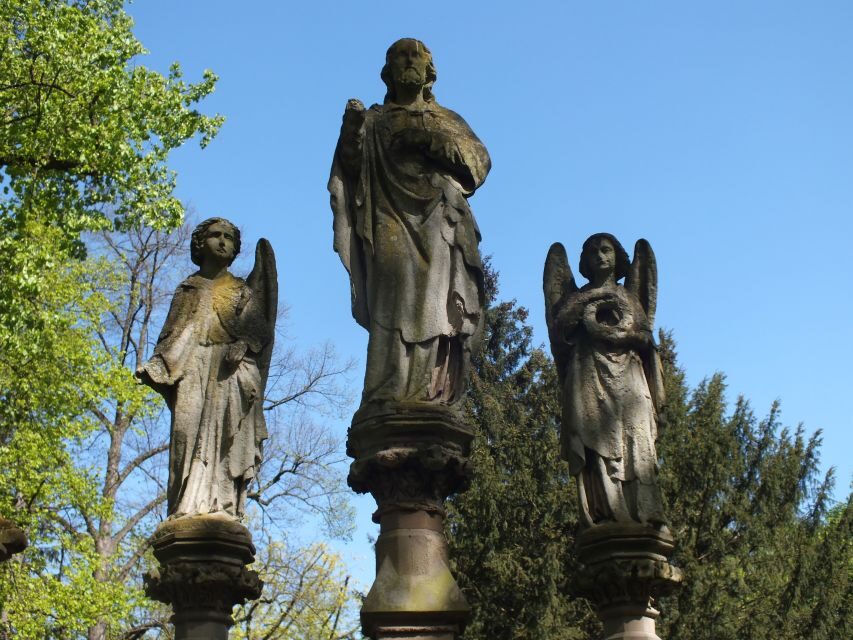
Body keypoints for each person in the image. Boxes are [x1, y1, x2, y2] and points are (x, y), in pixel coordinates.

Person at [329, 38, 490, 409]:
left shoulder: (447, 120)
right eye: (399, 56)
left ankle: (432, 391)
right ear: (387, 72)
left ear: (429, 71)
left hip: (440, 223)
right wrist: (351, 132)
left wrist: (428, 140)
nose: (407, 61)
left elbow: (478, 163)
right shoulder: (375, 121)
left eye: (414, 55)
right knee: (393, 298)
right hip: (389, 220)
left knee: (437, 303)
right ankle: (388, 391)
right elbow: (353, 170)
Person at [136, 218, 277, 519]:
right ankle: (184, 506)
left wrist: (243, 345)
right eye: (215, 235)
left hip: (230, 374)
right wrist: (158, 366)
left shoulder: (240, 291)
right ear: (201, 244)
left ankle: (222, 506)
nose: (223, 241)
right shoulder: (188, 288)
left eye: (229, 237)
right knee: (185, 437)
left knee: (226, 443)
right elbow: (172, 336)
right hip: (192, 371)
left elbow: (260, 332)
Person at [544, 233, 666, 529]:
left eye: (606, 250)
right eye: (593, 251)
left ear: (617, 257)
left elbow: (645, 336)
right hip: (589, 377)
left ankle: (645, 513)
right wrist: (591, 300)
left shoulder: (629, 298)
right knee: (594, 442)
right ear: (584, 261)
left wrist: (621, 335)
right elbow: (559, 331)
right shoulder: (575, 299)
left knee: (637, 441)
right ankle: (607, 511)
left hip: (629, 378)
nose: (600, 256)